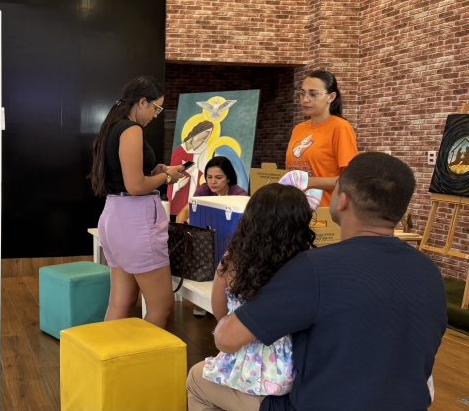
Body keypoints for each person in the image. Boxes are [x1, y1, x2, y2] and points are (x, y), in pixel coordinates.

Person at [188, 152, 447, 411]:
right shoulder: (429, 272)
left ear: (342, 200)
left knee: (198, 379)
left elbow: (226, 338)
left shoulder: (314, 268)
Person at [188, 183, 317, 406]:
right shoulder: (306, 266)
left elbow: (220, 313)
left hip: (244, 370)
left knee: (196, 380)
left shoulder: (232, 260)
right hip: (295, 374)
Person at [89, 75, 184, 329]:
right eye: (157, 108)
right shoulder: (132, 130)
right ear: (143, 102)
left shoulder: (112, 127)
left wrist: (154, 172)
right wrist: (167, 177)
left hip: (115, 217)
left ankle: (109, 354)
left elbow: (126, 179)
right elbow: (134, 186)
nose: (156, 115)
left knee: (120, 302)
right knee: (161, 305)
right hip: (136, 223)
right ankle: (145, 356)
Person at [286, 70, 358, 206]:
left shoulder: (340, 128)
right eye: (302, 93)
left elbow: (350, 179)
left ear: (331, 97)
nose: (305, 99)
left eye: (313, 94)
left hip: (325, 211)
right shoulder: (298, 129)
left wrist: (307, 182)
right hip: (295, 209)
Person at [176, 156, 248, 225]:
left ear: (229, 178)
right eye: (209, 177)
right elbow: (186, 211)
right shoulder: (204, 190)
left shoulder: (239, 195)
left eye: (218, 178)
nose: (213, 182)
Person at [169, 121, 214, 215]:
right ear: (197, 131)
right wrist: (177, 185)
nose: (204, 138)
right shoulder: (179, 151)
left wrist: (194, 172)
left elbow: (207, 176)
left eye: (208, 135)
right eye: (205, 133)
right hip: (181, 194)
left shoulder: (205, 151)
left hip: (196, 195)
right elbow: (171, 177)